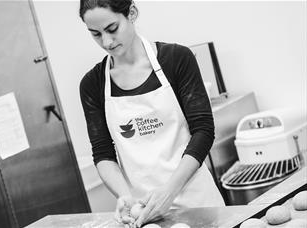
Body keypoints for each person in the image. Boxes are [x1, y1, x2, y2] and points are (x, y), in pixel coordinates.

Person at [78, 0, 225, 227]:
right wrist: (124, 196)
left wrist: (168, 192)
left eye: (112, 29)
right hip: (145, 214)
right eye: (95, 34)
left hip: (198, 204)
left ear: (132, 13)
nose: (106, 42)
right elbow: (103, 153)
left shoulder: (176, 59)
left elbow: (203, 130)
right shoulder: (93, 84)